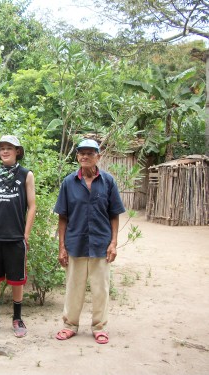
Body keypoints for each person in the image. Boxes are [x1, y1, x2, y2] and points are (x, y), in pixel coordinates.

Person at [54, 138, 125, 344]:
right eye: (81, 153)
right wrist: (62, 247)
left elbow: (114, 214)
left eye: (90, 153)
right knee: (73, 287)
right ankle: (70, 325)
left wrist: (113, 243)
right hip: (75, 243)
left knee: (100, 288)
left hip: (100, 244)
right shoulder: (69, 182)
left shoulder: (108, 181)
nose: (85, 156)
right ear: (77, 156)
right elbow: (63, 217)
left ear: (98, 157)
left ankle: (99, 327)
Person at [0, 135, 36, 338]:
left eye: (9, 148)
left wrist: (25, 234)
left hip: (15, 237)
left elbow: (32, 206)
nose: (5, 151)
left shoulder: (26, 175)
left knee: (17, 280)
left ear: (17, 151)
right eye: (2, 148)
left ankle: (17, 318)